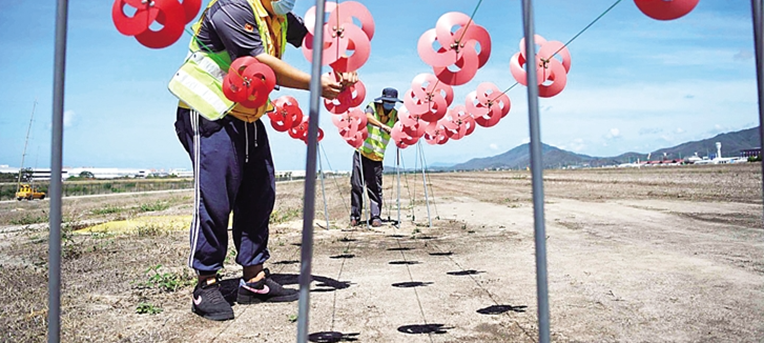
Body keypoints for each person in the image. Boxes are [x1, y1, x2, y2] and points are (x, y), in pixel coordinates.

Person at [170, 0, 357, 321]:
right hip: (208, 109)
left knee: (259, 193)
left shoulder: (279, 17)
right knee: (216, 197)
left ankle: (254, 279)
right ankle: (206, 283)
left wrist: (341, 66)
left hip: (247, 114)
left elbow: (320, 41)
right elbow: (260, 62)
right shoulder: (232, 7)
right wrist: (316, 82)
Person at [349, 87, 402, 227]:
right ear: (382, 100)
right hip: (361, 152)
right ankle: (355, 216)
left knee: (375, 188)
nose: (389, 105)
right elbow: (367, 117)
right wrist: (382, 126)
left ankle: (376, 217)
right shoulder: (372, 107)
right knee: (356, 185)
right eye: (387, 101)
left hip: (377, 157)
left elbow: (403, 127)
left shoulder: (396, 115)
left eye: (392, 102)